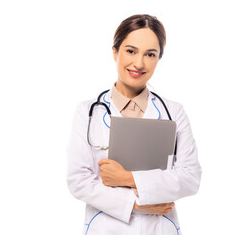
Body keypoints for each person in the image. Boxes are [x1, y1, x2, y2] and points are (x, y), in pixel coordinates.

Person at [67, 14, 202, 235]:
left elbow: (190, 178)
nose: (139, 63)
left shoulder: (174, 112)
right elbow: (78, 181)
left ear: (159, 58)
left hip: (159, 227)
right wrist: (137, 204)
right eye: (131, 51)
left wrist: (126, 178)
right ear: (115, 52)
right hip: (107, 227)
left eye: (150, 54)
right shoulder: (88, 112)